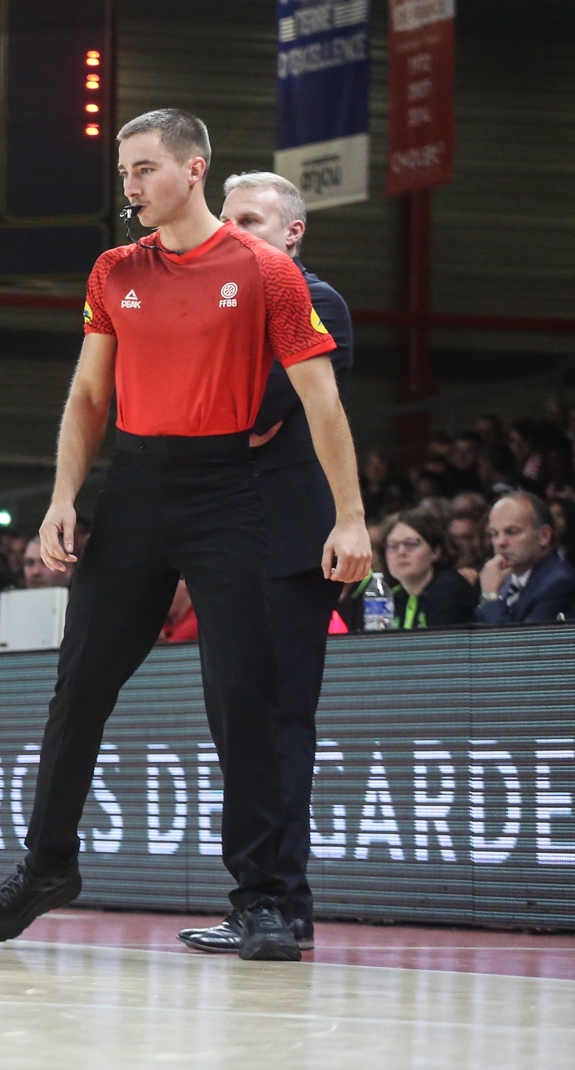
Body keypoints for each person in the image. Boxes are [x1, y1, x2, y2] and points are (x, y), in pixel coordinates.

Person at [0, 110, 369, 963]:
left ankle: (263, 900)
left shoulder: (267, 272)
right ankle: (46, 865)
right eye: (125, 173)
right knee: (79, 686)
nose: (131, 187)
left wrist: (351, 516)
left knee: (244, 703)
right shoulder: (114, 270)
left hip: (232, 494)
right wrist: (62, 497)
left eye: (145, 169)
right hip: (138, 486)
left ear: (194, 170)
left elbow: (322, 402)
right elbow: (86, 396)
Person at [175, 170, 355, 956]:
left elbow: (242, 420)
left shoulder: (320, 303)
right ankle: (258, 901)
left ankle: (283, 906)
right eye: (226, 219)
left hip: (288, 547)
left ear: (292, 232)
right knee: (235, 731)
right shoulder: (221, 309)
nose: (232, 232)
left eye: (249, 219)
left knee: (279, 726)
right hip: (225, 549)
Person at [338, 511, 478, 630]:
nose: (401, 552)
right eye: (392, 546)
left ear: (435, 551)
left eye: (411, 544)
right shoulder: (385, 594)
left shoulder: (449, 588)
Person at [476, 491, 575, 625]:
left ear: (544, 536)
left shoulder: (559, 583)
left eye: (512, 532)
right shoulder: (502, 578)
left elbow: (520, 644)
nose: (500, 542)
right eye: (494, 534)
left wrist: (490, 597)